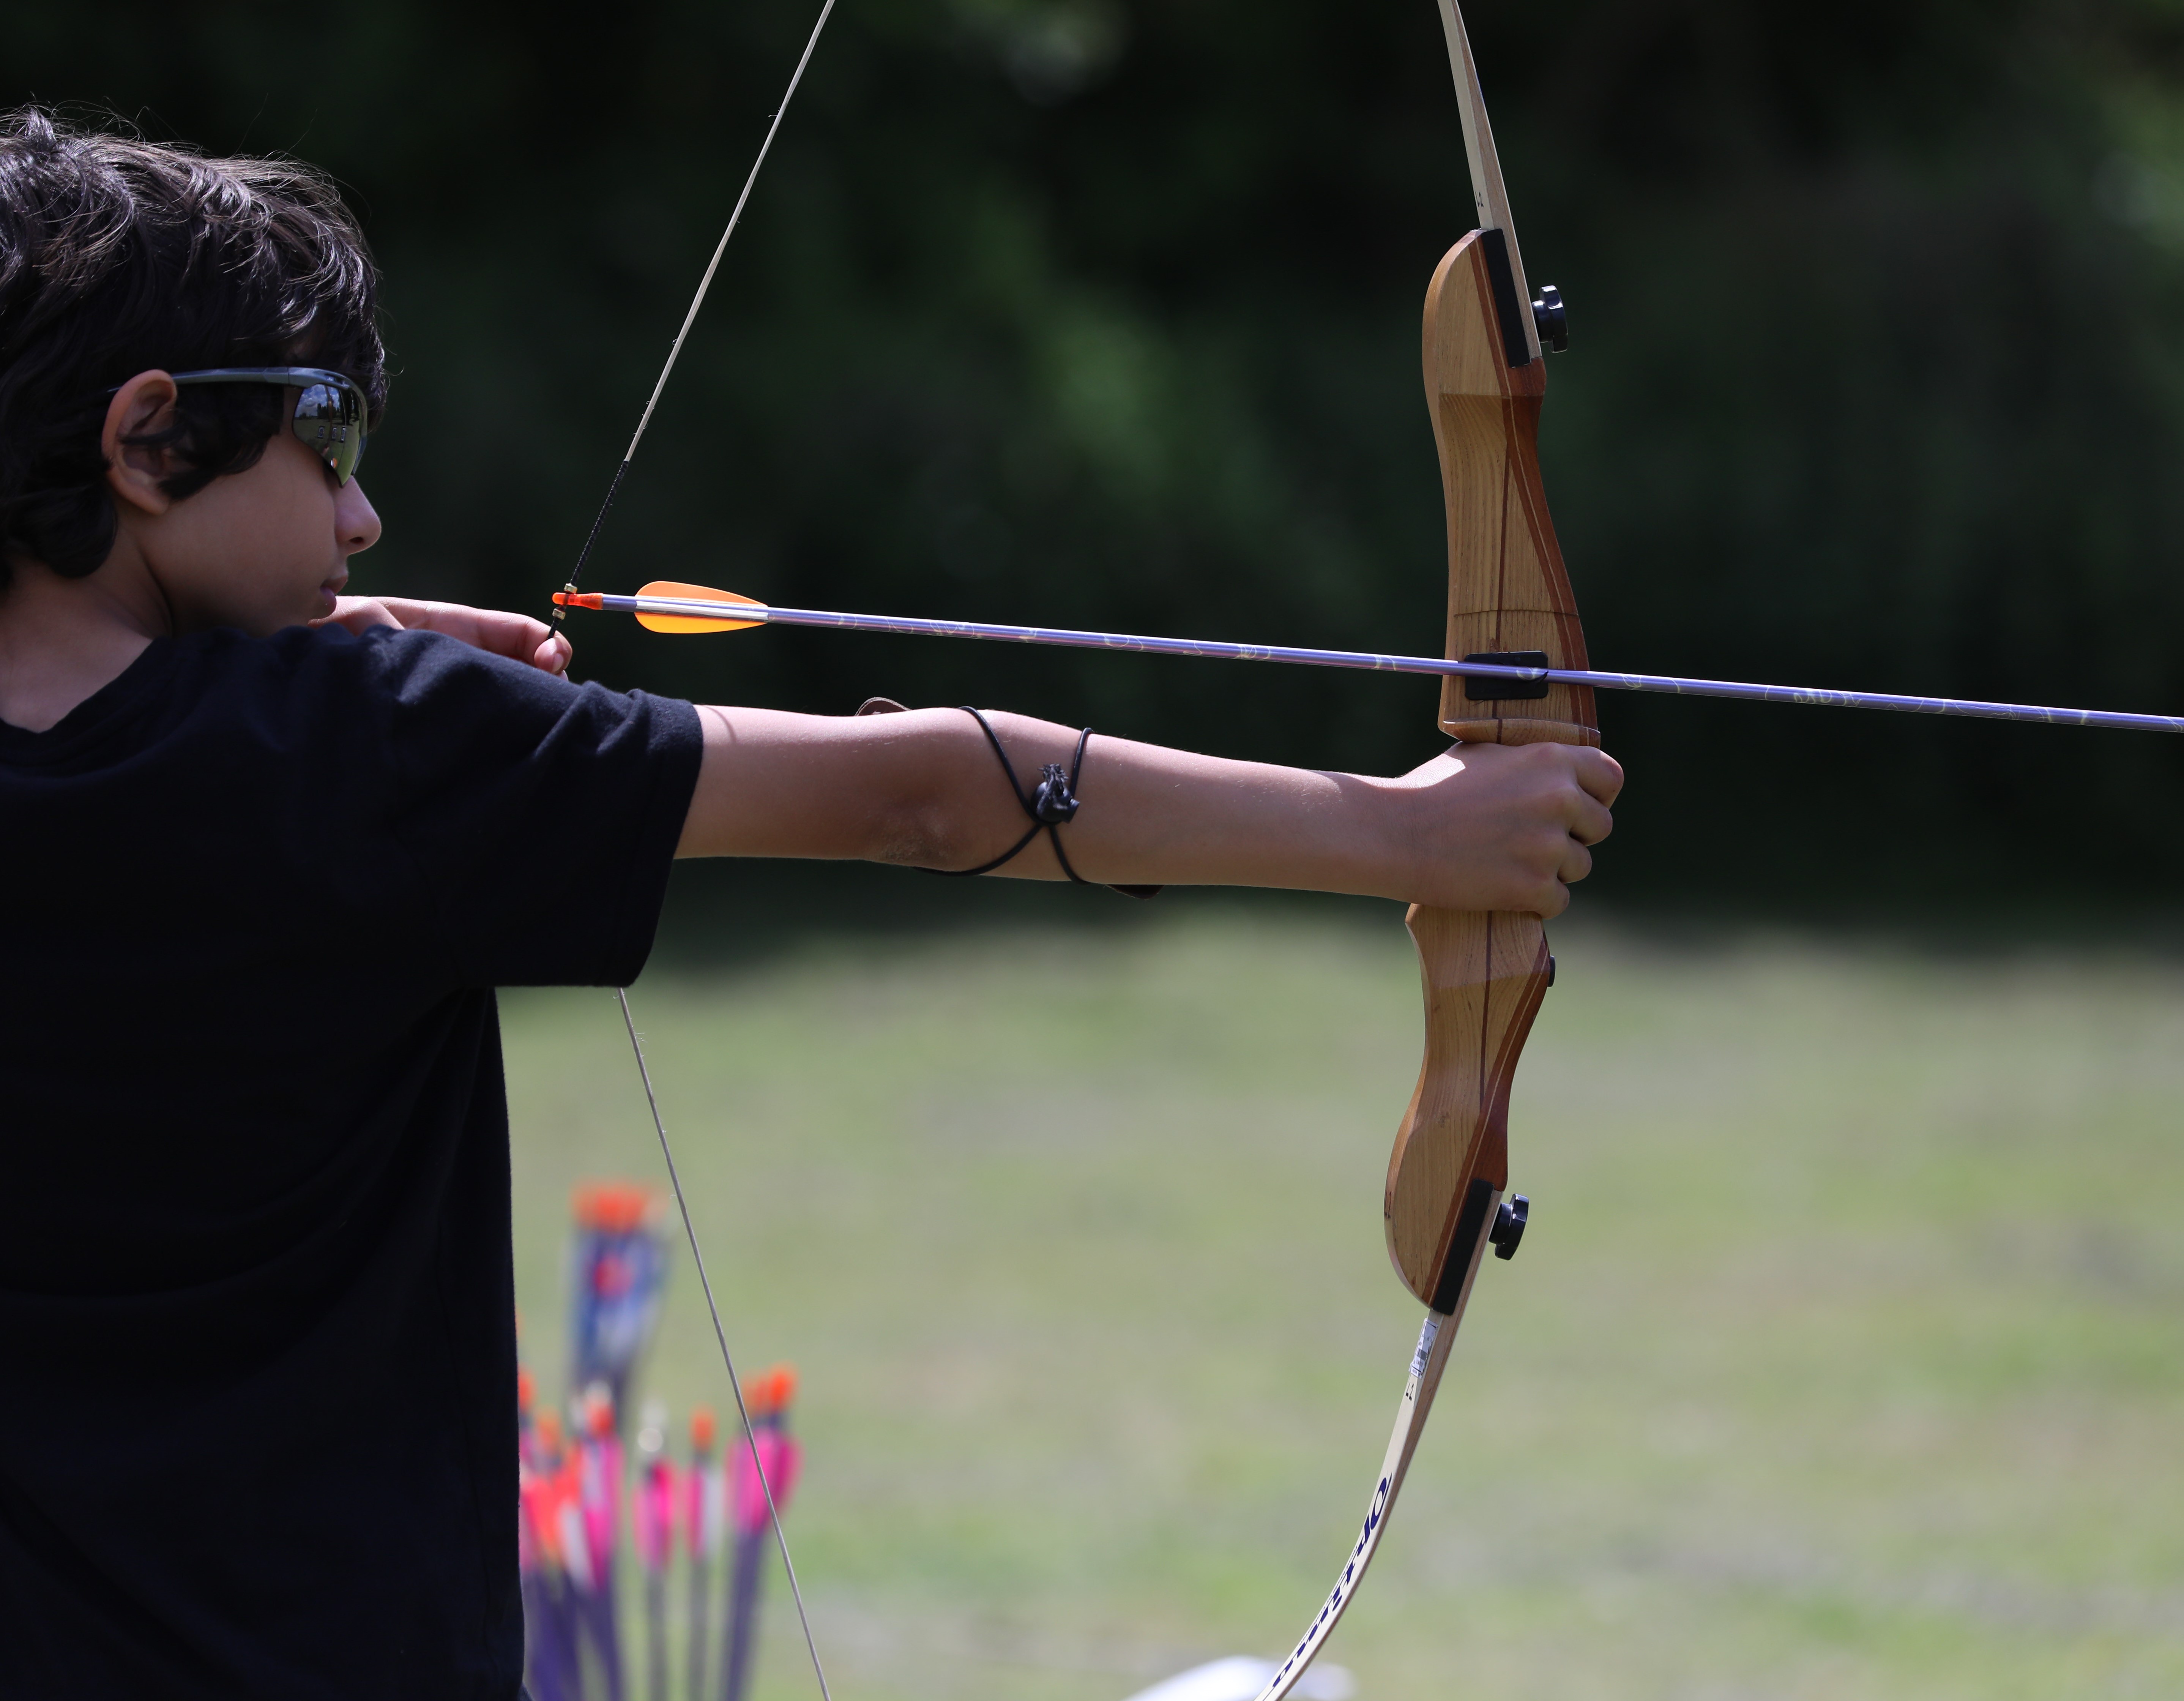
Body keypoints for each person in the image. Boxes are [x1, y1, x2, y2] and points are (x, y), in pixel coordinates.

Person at [0, 109, 1621, 1701]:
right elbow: (915, 795)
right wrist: (1422, 836)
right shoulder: (363, 754)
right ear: (149, 442)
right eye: (328, 440)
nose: (360, 518)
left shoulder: (334, 734)